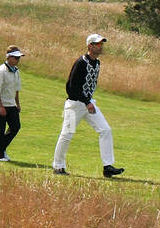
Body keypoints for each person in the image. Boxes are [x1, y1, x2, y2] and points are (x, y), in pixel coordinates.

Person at [52, 34, 124, 178]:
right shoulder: (81, 62)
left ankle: (107, 166)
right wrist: (86, 102)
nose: (101, 46)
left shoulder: (97, 63)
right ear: (90, 46)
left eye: (101, 44)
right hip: (75, 105)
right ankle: (58, 166)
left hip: (88, 104)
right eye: (98, 44)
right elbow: (71, 87)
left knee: (105, 130)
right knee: (67, 134)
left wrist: (88, 102)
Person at [0, 45, 25, 162]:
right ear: (8, 57)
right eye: (15, 58)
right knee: (0, 128)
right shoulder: (0, 71)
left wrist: (17, 103)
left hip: (11, 103)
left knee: (15, 126)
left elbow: (16, 89)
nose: (17, 60)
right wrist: (1, 106)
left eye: (18, 58)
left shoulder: (16, 71)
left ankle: (1, 148)